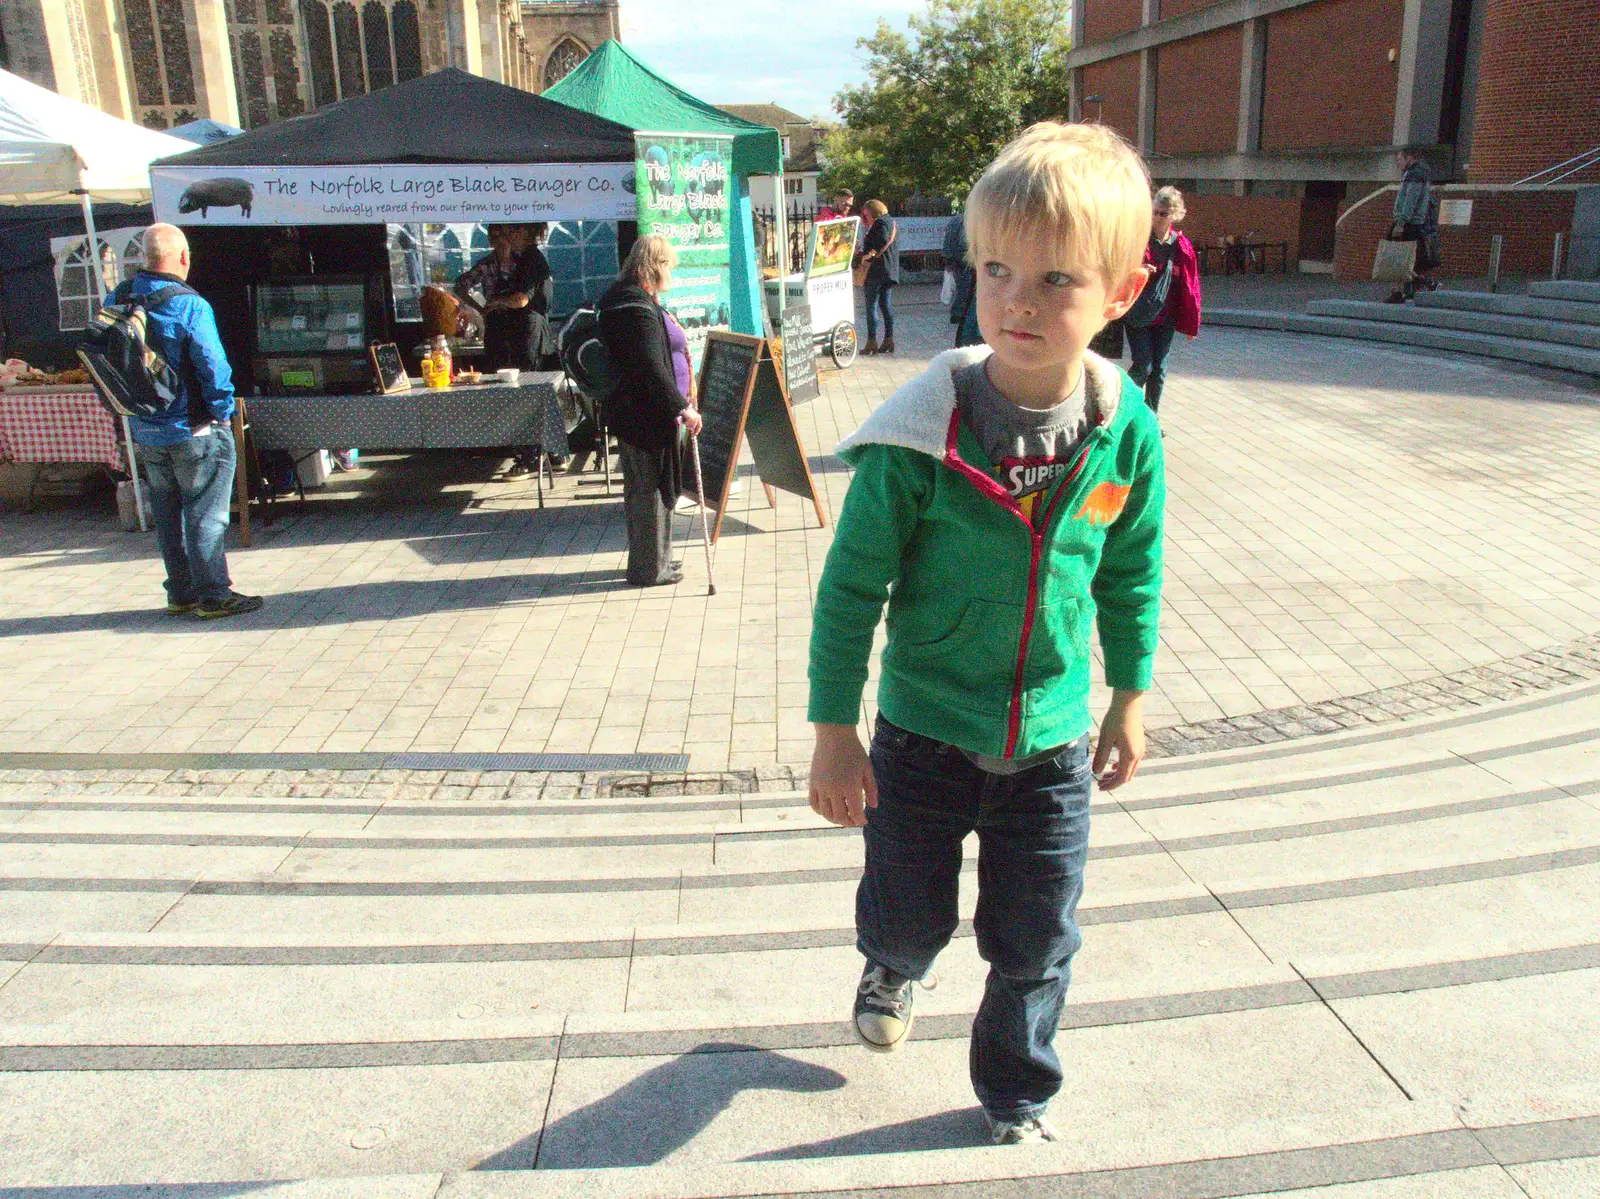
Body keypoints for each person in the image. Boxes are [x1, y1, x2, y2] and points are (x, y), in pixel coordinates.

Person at [806, 122, 1164, 1145]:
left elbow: (1132, 568)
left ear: (1120, 292)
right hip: (919, 731)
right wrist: (835, 727)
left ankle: (1014, 1089)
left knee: (1036, 935)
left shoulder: (1125, 433)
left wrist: (1129, 692)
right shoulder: (921, 439)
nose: (1015, 300)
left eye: (1055, 278)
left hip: (1049, 740)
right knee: (908, 910)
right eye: (996, 268)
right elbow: (849, 590)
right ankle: (893, 960)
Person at [120, 224, 262, 619]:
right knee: (206, 516)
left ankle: (180, 593)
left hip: (145, 427)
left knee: (167, 516)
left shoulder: (121, 296)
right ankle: (214, 596)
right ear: (183, 257)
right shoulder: (190, 304)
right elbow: (212, 365)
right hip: (193, 428)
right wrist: (222, 413)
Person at [598, 236, 703, 587]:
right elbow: (649, 366)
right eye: (668, 266)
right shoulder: (634, 307)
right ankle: (649, 569)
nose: (670, 273)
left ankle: (656, 560)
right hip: (645, 414)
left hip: (642, 412)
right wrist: (682, 407)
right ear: (655, 266)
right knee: (650, 490)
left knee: (653, 488)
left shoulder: (632, 299)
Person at [454, 224, 554, 477]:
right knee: (510, 390)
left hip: (526, 330)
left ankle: (534, 455)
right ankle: (539, 452)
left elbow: (522, 299)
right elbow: (460, 285)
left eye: (508, 233)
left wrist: (494, 303)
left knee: (527, 389)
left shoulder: (528, 260)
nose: (503, 240)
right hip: (501, 331)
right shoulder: (488, 264)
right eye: (497, 236)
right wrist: (481, 308)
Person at [1124, 185, 1201, 415]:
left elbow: (1190, 284)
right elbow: (1118, 267)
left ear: (1174, 215)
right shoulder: (1138, 240)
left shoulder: (1181, 245)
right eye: (1155, 212)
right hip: (1138, 313)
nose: (1157, 217)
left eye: (1163, 213)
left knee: (1159, 369)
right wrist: (1137, 269)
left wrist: (1191, 321)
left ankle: (1150, 419)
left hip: (1166, 316)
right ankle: (1123, 412)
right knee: (1143, 367)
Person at [1387, 151, 1439, 303]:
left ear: (1409, 158)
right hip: (1412, 223)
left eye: (1399, 159)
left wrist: (1400, 224)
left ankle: (1423, 283)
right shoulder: (1418, 173)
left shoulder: (1414, 175)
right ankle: (1404, 290)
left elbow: (1410, 201)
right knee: (1404, 259)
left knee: (1397, 258)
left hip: (1408, 224)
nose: (1397, 163)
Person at [857, 199, 899, 355]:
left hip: (876, 272)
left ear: (872, 211)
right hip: (889, 271)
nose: (864, 217)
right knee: (886, 306)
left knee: (871, 306)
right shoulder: (891, 222)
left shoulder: (880, 224)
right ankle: (889, 340)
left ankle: (871, 342)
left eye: (865, 214)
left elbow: (877, 246)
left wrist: (863, 255)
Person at [942, 210, 982, 348]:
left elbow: (948, 241)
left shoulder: (955, 221)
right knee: (965, 291)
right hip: (965, 263)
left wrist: (948, 260)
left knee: (963, 290)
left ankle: (957, 314)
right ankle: (957, 314)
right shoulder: (966, 222)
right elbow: (963, 243)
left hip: (958, 262)